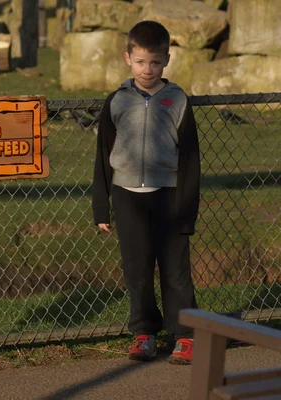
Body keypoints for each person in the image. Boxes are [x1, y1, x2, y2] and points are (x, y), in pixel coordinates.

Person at [91, 21, 201, 365]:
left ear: (166, 60)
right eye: (140, 62)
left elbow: (190, 159)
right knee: (137, 270)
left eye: (155, 62)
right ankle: (144, 333)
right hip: (126, 197)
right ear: (128, 58)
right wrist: (101, 207)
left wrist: (186, 210)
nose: (147, 69)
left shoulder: (177, 100)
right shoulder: (117, 101)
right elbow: (103, 156)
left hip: (168, 197)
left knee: (175, 271)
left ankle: (185, 336)